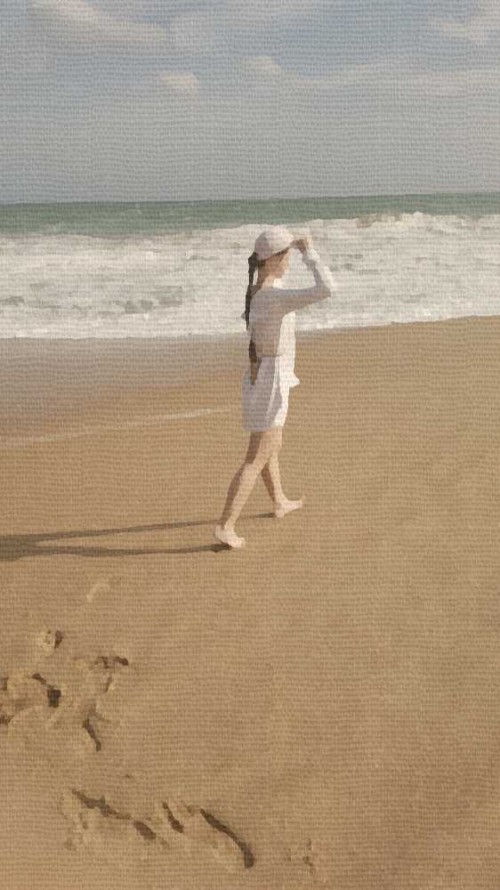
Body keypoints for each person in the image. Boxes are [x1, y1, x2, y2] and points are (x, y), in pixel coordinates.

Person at [214, 225, 338, 549]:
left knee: (272, 444)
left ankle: (279, 501)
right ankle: (226, 525)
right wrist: (309, 252)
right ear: (273, 260)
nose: (290, 261)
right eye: (287, 256)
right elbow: (328, 288)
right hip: (270, 379)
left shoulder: (260, 290)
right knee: (256, 456)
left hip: (262, 375)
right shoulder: (273, 297)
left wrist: (291, 242)